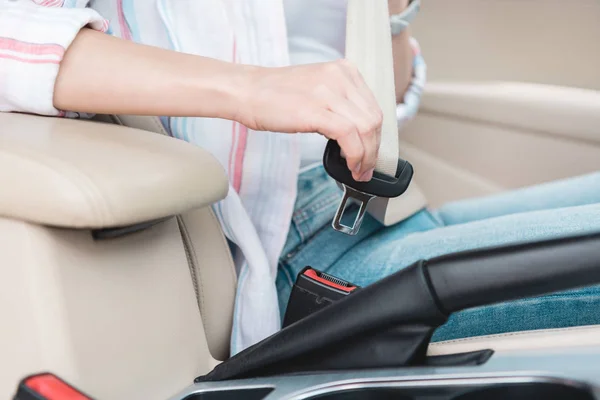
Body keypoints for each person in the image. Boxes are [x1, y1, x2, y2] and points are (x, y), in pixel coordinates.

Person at [1, 0, 599, 357]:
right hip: (278, 256)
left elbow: (376, 103)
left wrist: (388, 11)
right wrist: (251, 87)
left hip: (359, 207)